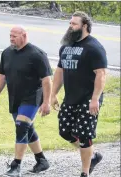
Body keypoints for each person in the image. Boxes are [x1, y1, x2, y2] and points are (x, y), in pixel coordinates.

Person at [0, 25, 52, 176]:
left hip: (33, 96)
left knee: (22, 126)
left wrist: (47, 102)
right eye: (10, 36)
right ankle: (41, 160)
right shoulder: (7, 53)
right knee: (27, 129)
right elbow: (2, 76)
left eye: (15, 36)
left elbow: (46, 80)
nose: (11, 39)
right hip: (15, 97)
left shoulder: (37, 54)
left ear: (24, 36)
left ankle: (16, 165)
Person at [51, 11, 106, 177]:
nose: (70, 26)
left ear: (85, 26)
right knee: (65, 131)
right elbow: (60, 71)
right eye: (70, 23)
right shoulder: (66, 46)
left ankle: (85, 172)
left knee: (84, 135)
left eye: (74, 24)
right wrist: (53, 94)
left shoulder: (94, 47)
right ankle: (93, 156)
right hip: (71, 98)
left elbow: (101, 74)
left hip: (88, 99)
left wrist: (95, 99)